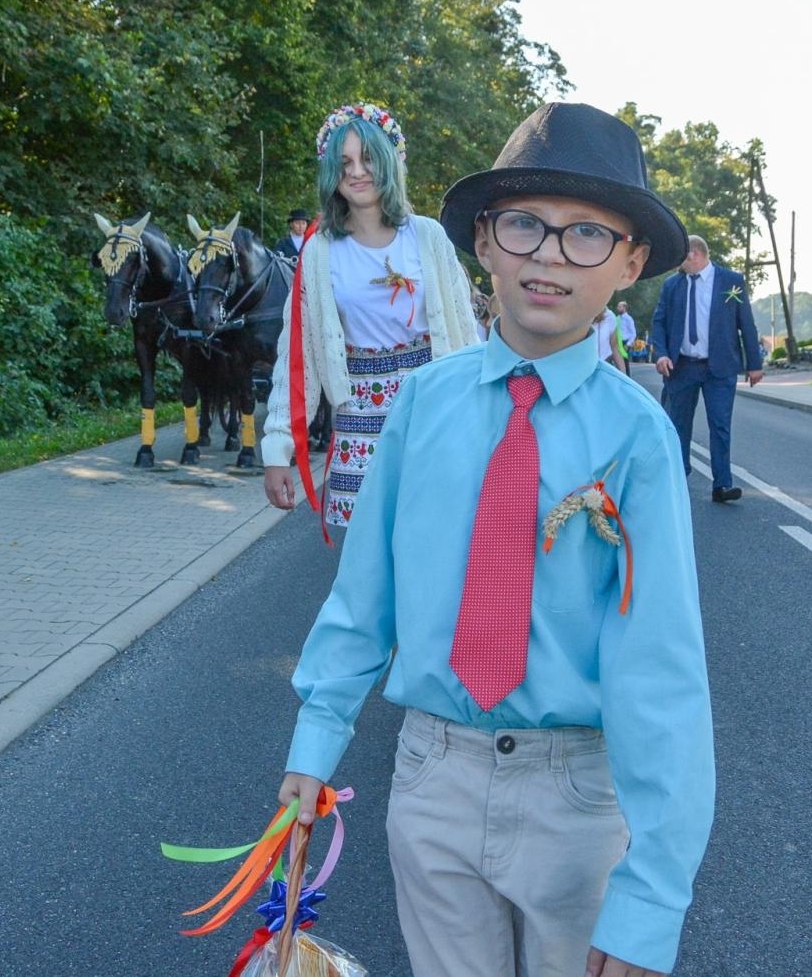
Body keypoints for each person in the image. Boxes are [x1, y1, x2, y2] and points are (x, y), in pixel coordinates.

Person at [277, 102, 714, 977]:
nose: (550, 255)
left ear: (630, 264)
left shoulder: (636, 437)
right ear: (484, 243)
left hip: (578, 797)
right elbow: (365, 599)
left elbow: (659, 669)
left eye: (587, 235)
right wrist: (312, 753)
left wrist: (652, 896)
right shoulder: (422, 406)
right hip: (434, 775)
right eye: (525, 226)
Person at [262, 103, 480, 530]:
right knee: (366, 566)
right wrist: (277, 448)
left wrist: (483, 418)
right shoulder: (320, 251)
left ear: (389, 161)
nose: (357, 171)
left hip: (433, 414)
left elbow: (466, 336)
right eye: (344, 163)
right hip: (360, 421)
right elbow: (297, 358)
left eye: (367, 159)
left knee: (435, 548)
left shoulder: (427, 236)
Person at [649, 234, 764, 502]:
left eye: (682, 258)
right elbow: (659, 323)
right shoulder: (672, 286)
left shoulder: (731, 282)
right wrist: (662, 354)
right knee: (678, 425)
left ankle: (722, 484)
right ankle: (679, 476)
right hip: (682, 367)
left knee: (720, 424)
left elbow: (745, 323)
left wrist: (754, 364)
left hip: (720, 367)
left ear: (695, 255)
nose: (679, 264)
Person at [615, 299, 638, 373]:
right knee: (617, 363)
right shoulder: (617, 318)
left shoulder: (629, 319)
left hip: (625, 343)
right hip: (617, 342)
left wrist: (628, 345)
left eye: (619, 307)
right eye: (618, 306)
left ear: (624, 308)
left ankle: (627, 378)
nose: (617, 308)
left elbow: (633, 333)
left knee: (624, 363)